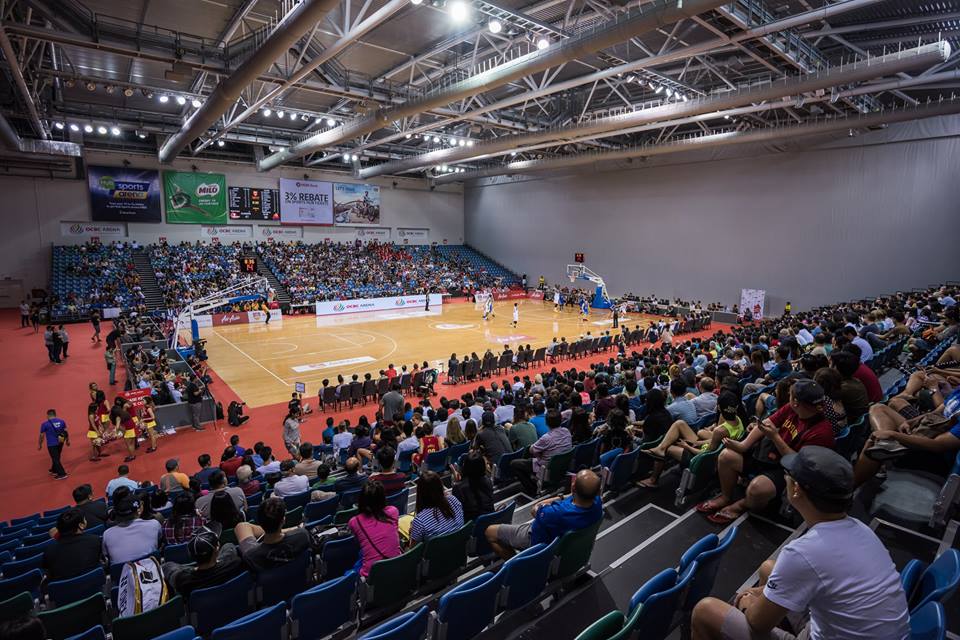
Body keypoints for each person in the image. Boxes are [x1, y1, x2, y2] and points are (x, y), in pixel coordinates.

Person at [692, 447, 910, 640]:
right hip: (855, 629)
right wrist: (762, 595)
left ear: (796, 490)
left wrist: (748, 604)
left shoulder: (803, 553)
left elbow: (757, 624)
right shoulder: (862, 530)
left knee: (705, 611)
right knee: (769, 569)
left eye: (788, 475)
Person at [696, 380, 835, 525]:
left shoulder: (822, 433)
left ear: (796, 401)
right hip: (769, 456)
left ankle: (742, 505)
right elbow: (766, 424)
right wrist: (744, 445)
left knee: (757, 489)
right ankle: (726, 497)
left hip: (789, 471)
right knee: (726, 456)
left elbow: (797, 463)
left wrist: (775, 437)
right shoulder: (791, 409)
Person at [486, 469, 603, 559]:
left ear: (573, 488)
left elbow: (534, 510)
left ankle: (518, 565)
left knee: (490, 531)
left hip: (536, 540)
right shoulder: (597, 504)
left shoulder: (555, 513)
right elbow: (573, 497)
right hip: (568, 547)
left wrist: (556, 498)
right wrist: (566, 496)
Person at [163, 523, 245, 597]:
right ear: (216, 551)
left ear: (191, 556)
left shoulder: (183, 581)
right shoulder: (234, 563)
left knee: (167, 566)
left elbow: (168, 568)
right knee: (229, 546)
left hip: (203, 613)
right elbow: (229, 547)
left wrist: (191, 569)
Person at [234, 497, 311, 572]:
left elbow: (240, 527)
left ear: (259, 522)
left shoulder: (250, 556)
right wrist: (294, 528)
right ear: (283, 520)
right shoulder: (302, 535)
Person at [511, 409, 571, 496]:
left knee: (514, 463)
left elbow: (531, 450)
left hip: (546, 469)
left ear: (546, 422)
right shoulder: (567, 431)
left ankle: (532, 489)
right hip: (561, 467)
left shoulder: (546, 438)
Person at [348, 481, 402, 578]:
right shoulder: (393, 511)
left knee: (349, 572)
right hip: (397, 564)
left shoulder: (354, 522)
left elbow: (358, 543)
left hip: (370, 576)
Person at [42, 508, 102, 580]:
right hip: (94, 585)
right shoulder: (95, 540)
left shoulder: (49, 551)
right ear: (81, 525)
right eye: (84, 519)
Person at [102, 494, 163, 564]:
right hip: (153, 571)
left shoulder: (107, 534)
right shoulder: (154, 524)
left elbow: (106, 556)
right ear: (139, 510)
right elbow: (159, 542)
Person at [406, 471, 465, 543]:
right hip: (458, 549)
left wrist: (413, 533)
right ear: (440, 486)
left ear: (420, 492)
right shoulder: (453, 500)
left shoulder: (420, 522)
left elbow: (414, 551)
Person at [452, 451, 495, 522]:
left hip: (473, 526)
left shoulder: (458, 488)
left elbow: (457, 512)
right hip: (491, 519)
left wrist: (456, 483)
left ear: (465, 467)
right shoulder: (488, 481)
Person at [38, 409, 69, 480]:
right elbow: (66, 432)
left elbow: (41, 436)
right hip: (61, 442)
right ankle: (54, 469)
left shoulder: (45, 424)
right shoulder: (62, 421)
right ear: (55, 414)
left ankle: (62, 473)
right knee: (56, 456)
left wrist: (40, 444)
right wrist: (67, 441)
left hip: (52, 444)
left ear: (48, 415)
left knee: (55, 459)